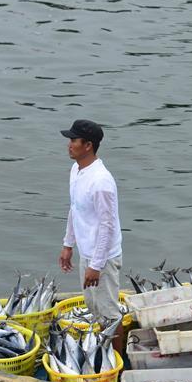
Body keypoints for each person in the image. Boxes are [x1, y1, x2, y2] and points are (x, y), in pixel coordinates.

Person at [58, 119, 124, 349]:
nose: (69, 144)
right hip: (87, 252)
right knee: (93, 308)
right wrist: (68, 245)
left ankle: (117, 363)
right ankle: (102, 351)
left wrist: (96, 265)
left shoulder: (101, 181)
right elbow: (75, 208)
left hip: (102, 257)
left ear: (88, 145)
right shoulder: (76, 170)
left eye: (73, 140)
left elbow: (108, 225)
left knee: (110, 314)